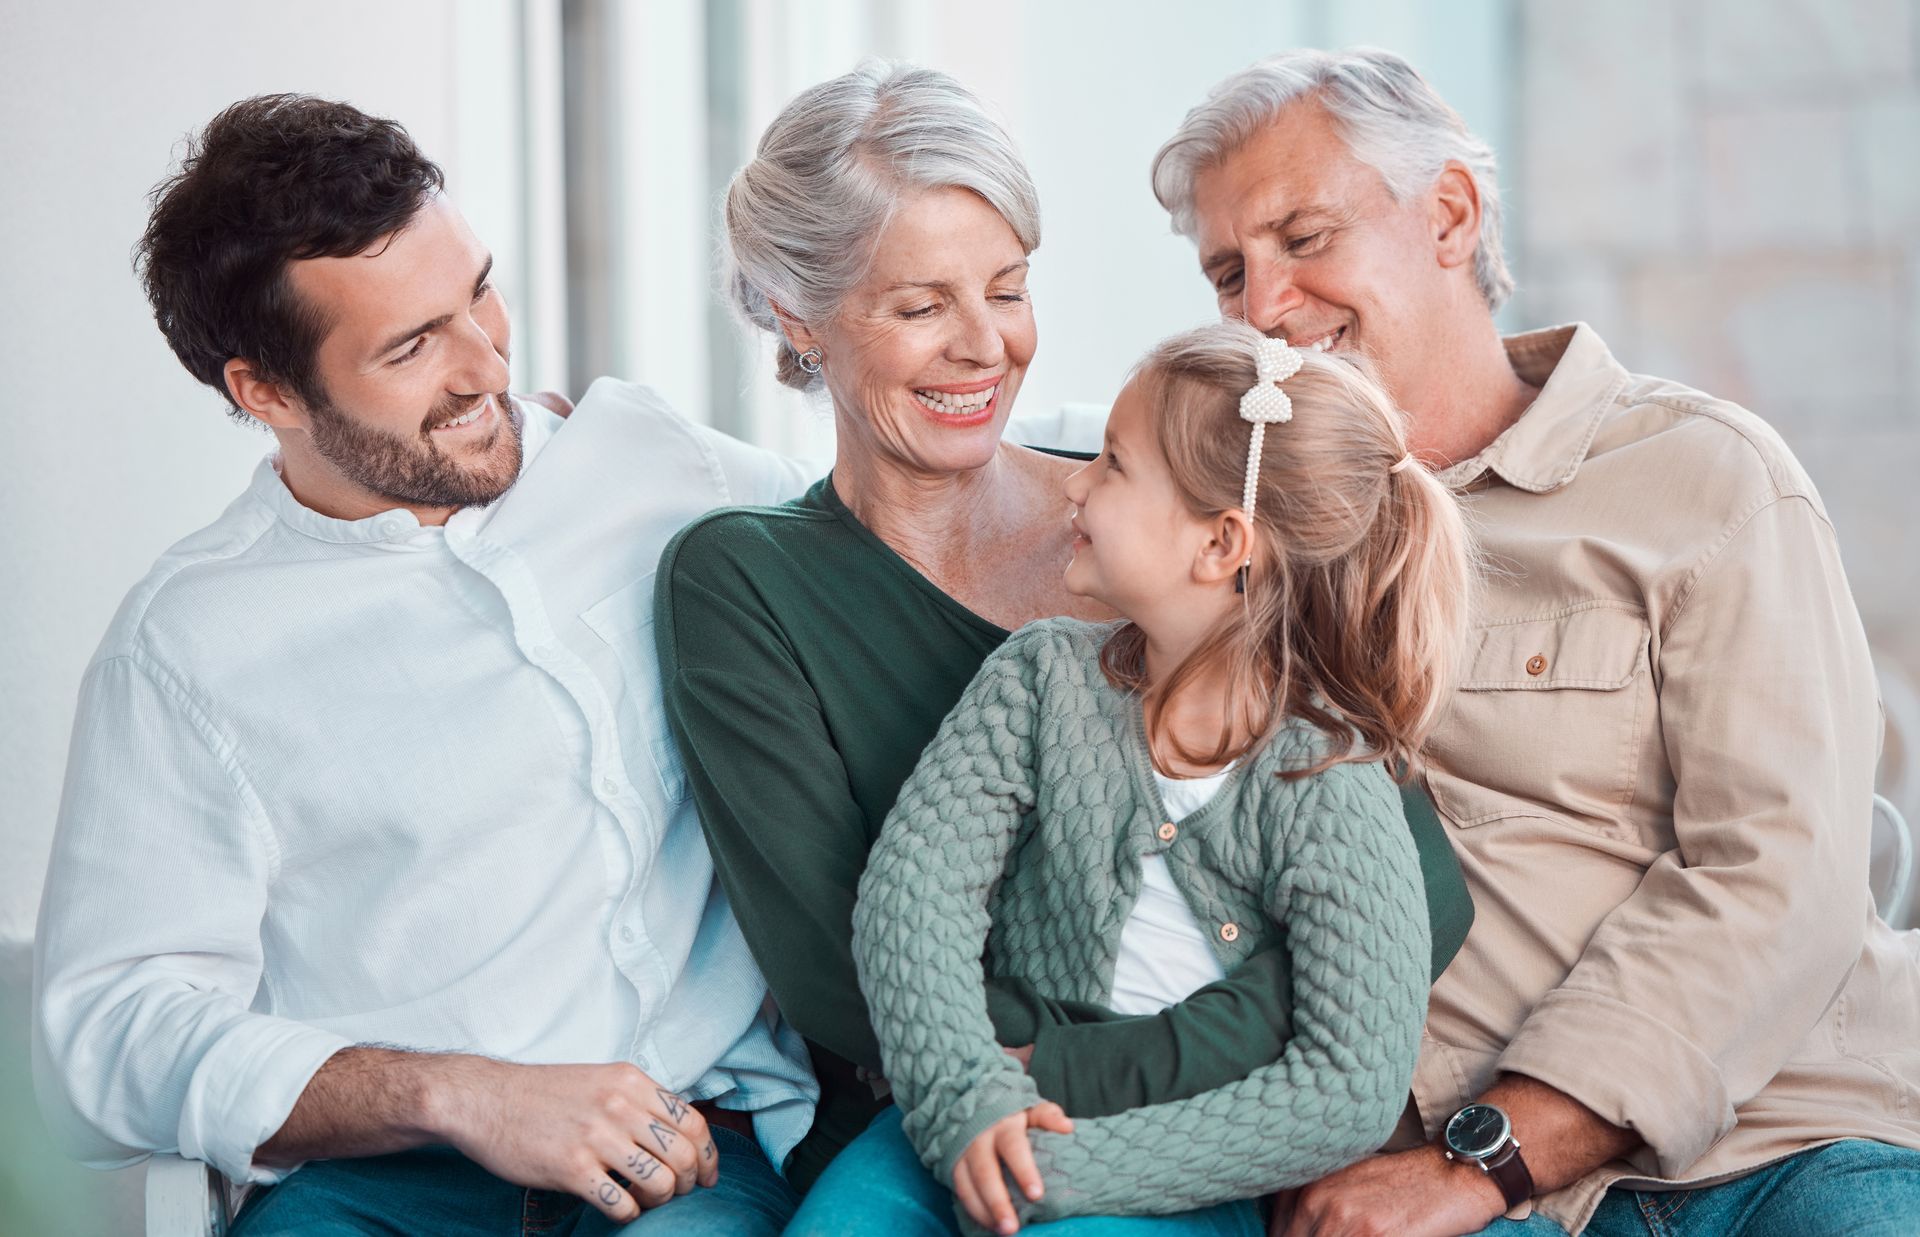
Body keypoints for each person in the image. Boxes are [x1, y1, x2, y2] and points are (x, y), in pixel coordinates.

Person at [653, 60, 1474, 1233]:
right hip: (937, 1117)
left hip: (1190, 1131)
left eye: (1009, 288)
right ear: (798, 316)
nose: (985, 347)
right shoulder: (747, 582)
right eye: (920, 305)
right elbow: (850, 969)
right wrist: (991, 1091)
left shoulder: (1170, 507)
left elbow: (1415, 896)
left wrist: (1103, 1068)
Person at [1148, 48, 1920, 1237]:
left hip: (1790, 1140)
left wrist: (1485, 1159)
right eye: (1227, 272)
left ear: (1449, 214)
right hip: (1466, 1197)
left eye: (1304, 239)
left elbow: (1777, 873)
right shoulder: (1242, 555)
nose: (1263, 306)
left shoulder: (1708, 478)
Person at [32, 94, 819, 1235]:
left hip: (687, 1159)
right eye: (410, 345)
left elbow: (902, 509)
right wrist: (454, 1094)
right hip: (375, 1188)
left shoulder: (648, 463)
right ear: (265, 392)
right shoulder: (185, 648)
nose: (485, 363)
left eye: (477, 293)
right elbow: (109, 1031)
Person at [852, 322, 1474, 1236]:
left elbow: (1349, 1084)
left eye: (1112, 463)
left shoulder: (1327, 776)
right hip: (970, 1112)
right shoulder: (1039, 680)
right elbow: (913, 900)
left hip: (1178, 1171)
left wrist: (1073, 1168)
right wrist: (968, 1100)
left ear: (1222, 543)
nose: (1073, 482)